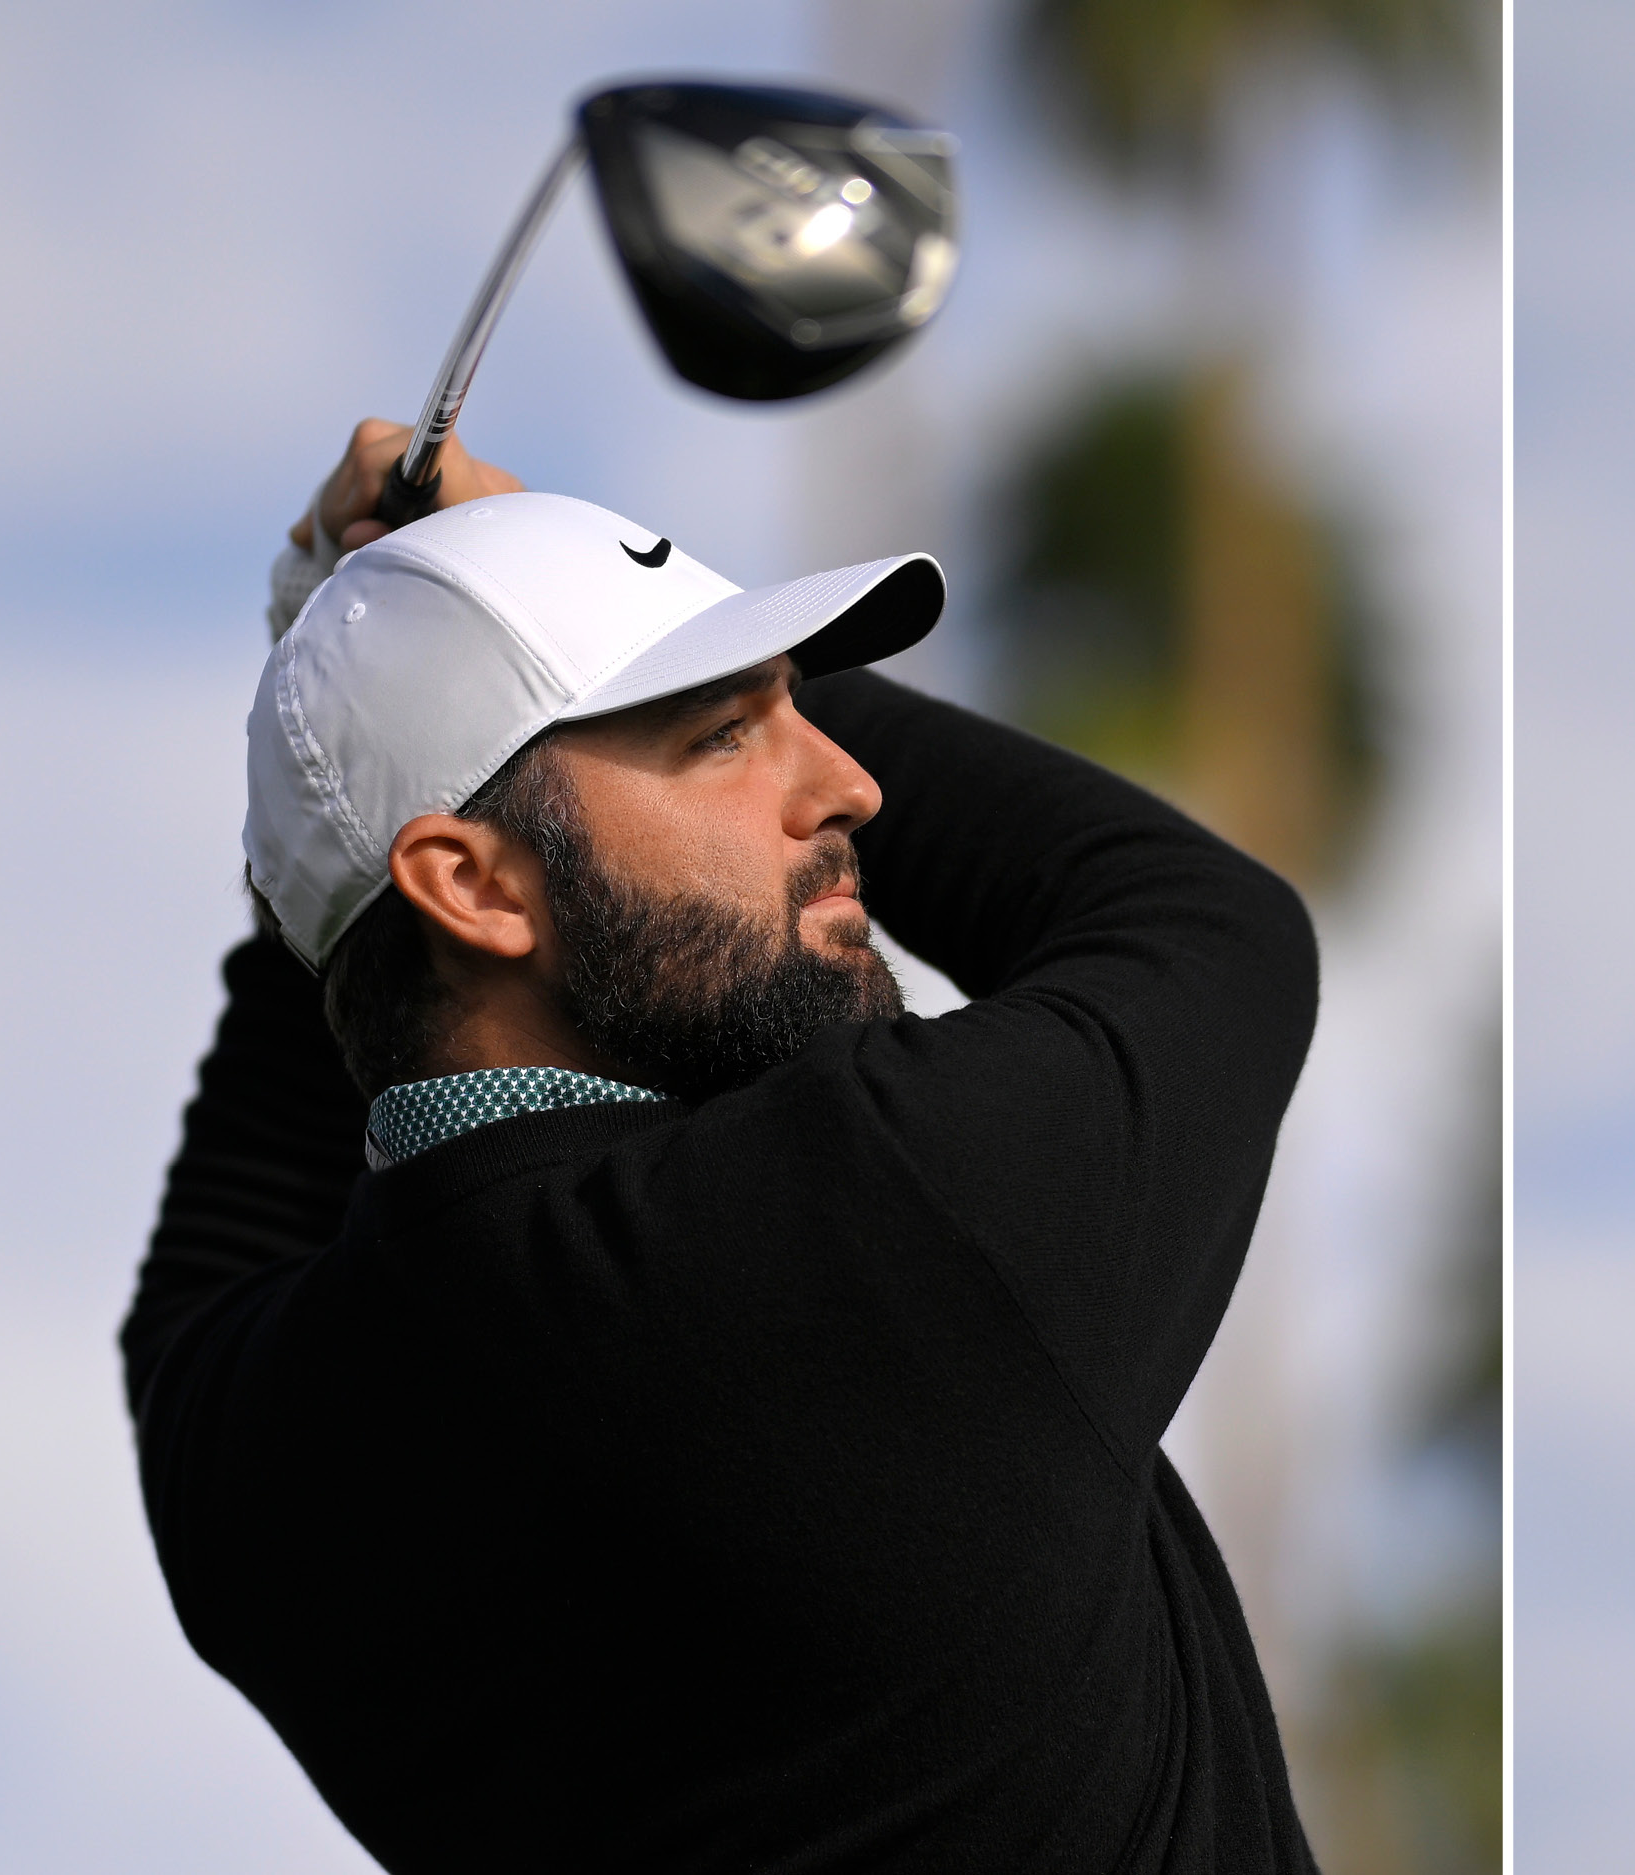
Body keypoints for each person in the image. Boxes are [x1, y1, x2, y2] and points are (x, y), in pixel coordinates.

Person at [123, 420, 1323, 1872]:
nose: (844, 786)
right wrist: (382, 633)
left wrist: (332, 782)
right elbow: (1205, 924)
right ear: (472, 885)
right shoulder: (899, 1208)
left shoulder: (248, 1458)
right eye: (722, 734)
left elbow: (263, 1158)